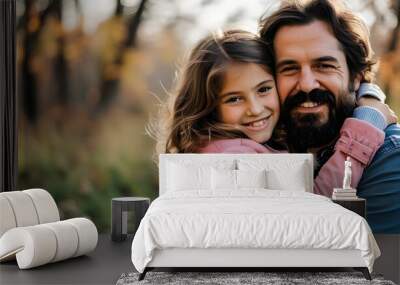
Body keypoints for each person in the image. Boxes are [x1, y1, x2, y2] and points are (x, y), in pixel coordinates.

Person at [155, 29, 395, 201]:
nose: (256, 109)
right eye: (234, 99)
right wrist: (367, 121)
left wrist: (367, 92)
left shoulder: (237, 142)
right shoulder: (236, 157)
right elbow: (320, 205)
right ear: (209, 105)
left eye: (264, 89)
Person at [259, 0, 400, 233]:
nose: (306, 84)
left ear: (356, 77)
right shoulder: (261, 144)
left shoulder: (390, 159)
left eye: (324, 66)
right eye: (289, 68)